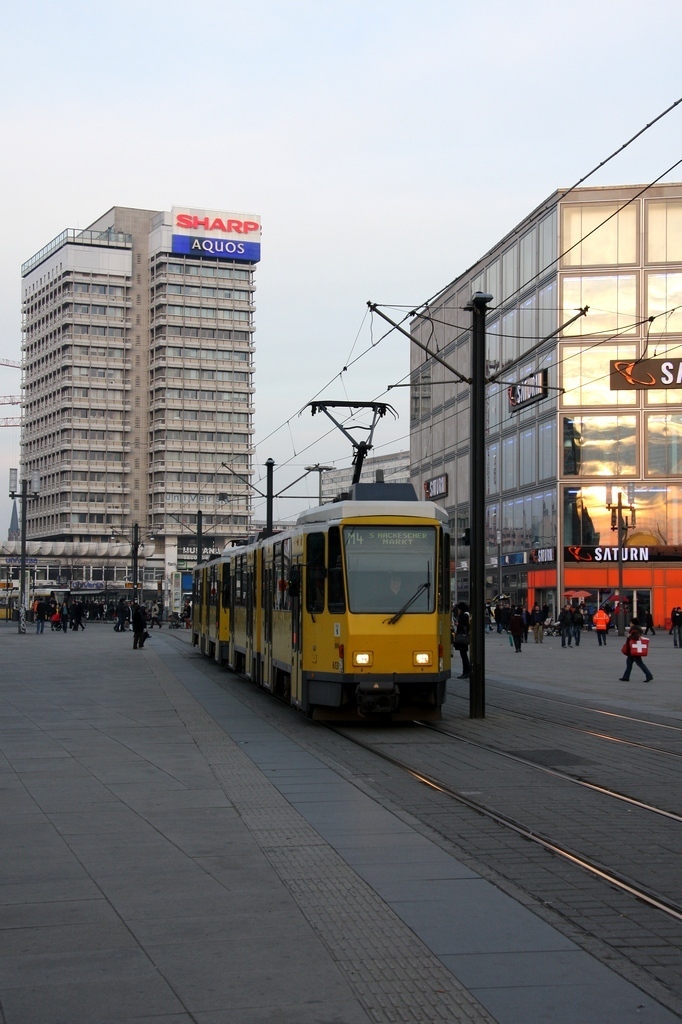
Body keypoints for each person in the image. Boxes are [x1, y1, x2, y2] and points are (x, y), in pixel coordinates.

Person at [453, 602, 470, 678]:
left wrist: (458, 624)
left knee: (464, 656)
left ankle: (466, 671)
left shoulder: (464, 616)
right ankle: (466, 671)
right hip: (463, 637)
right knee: (463, 655)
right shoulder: (465, 615)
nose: (458, 610)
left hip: (462, 637)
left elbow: (465, 627)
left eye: (459, 609)